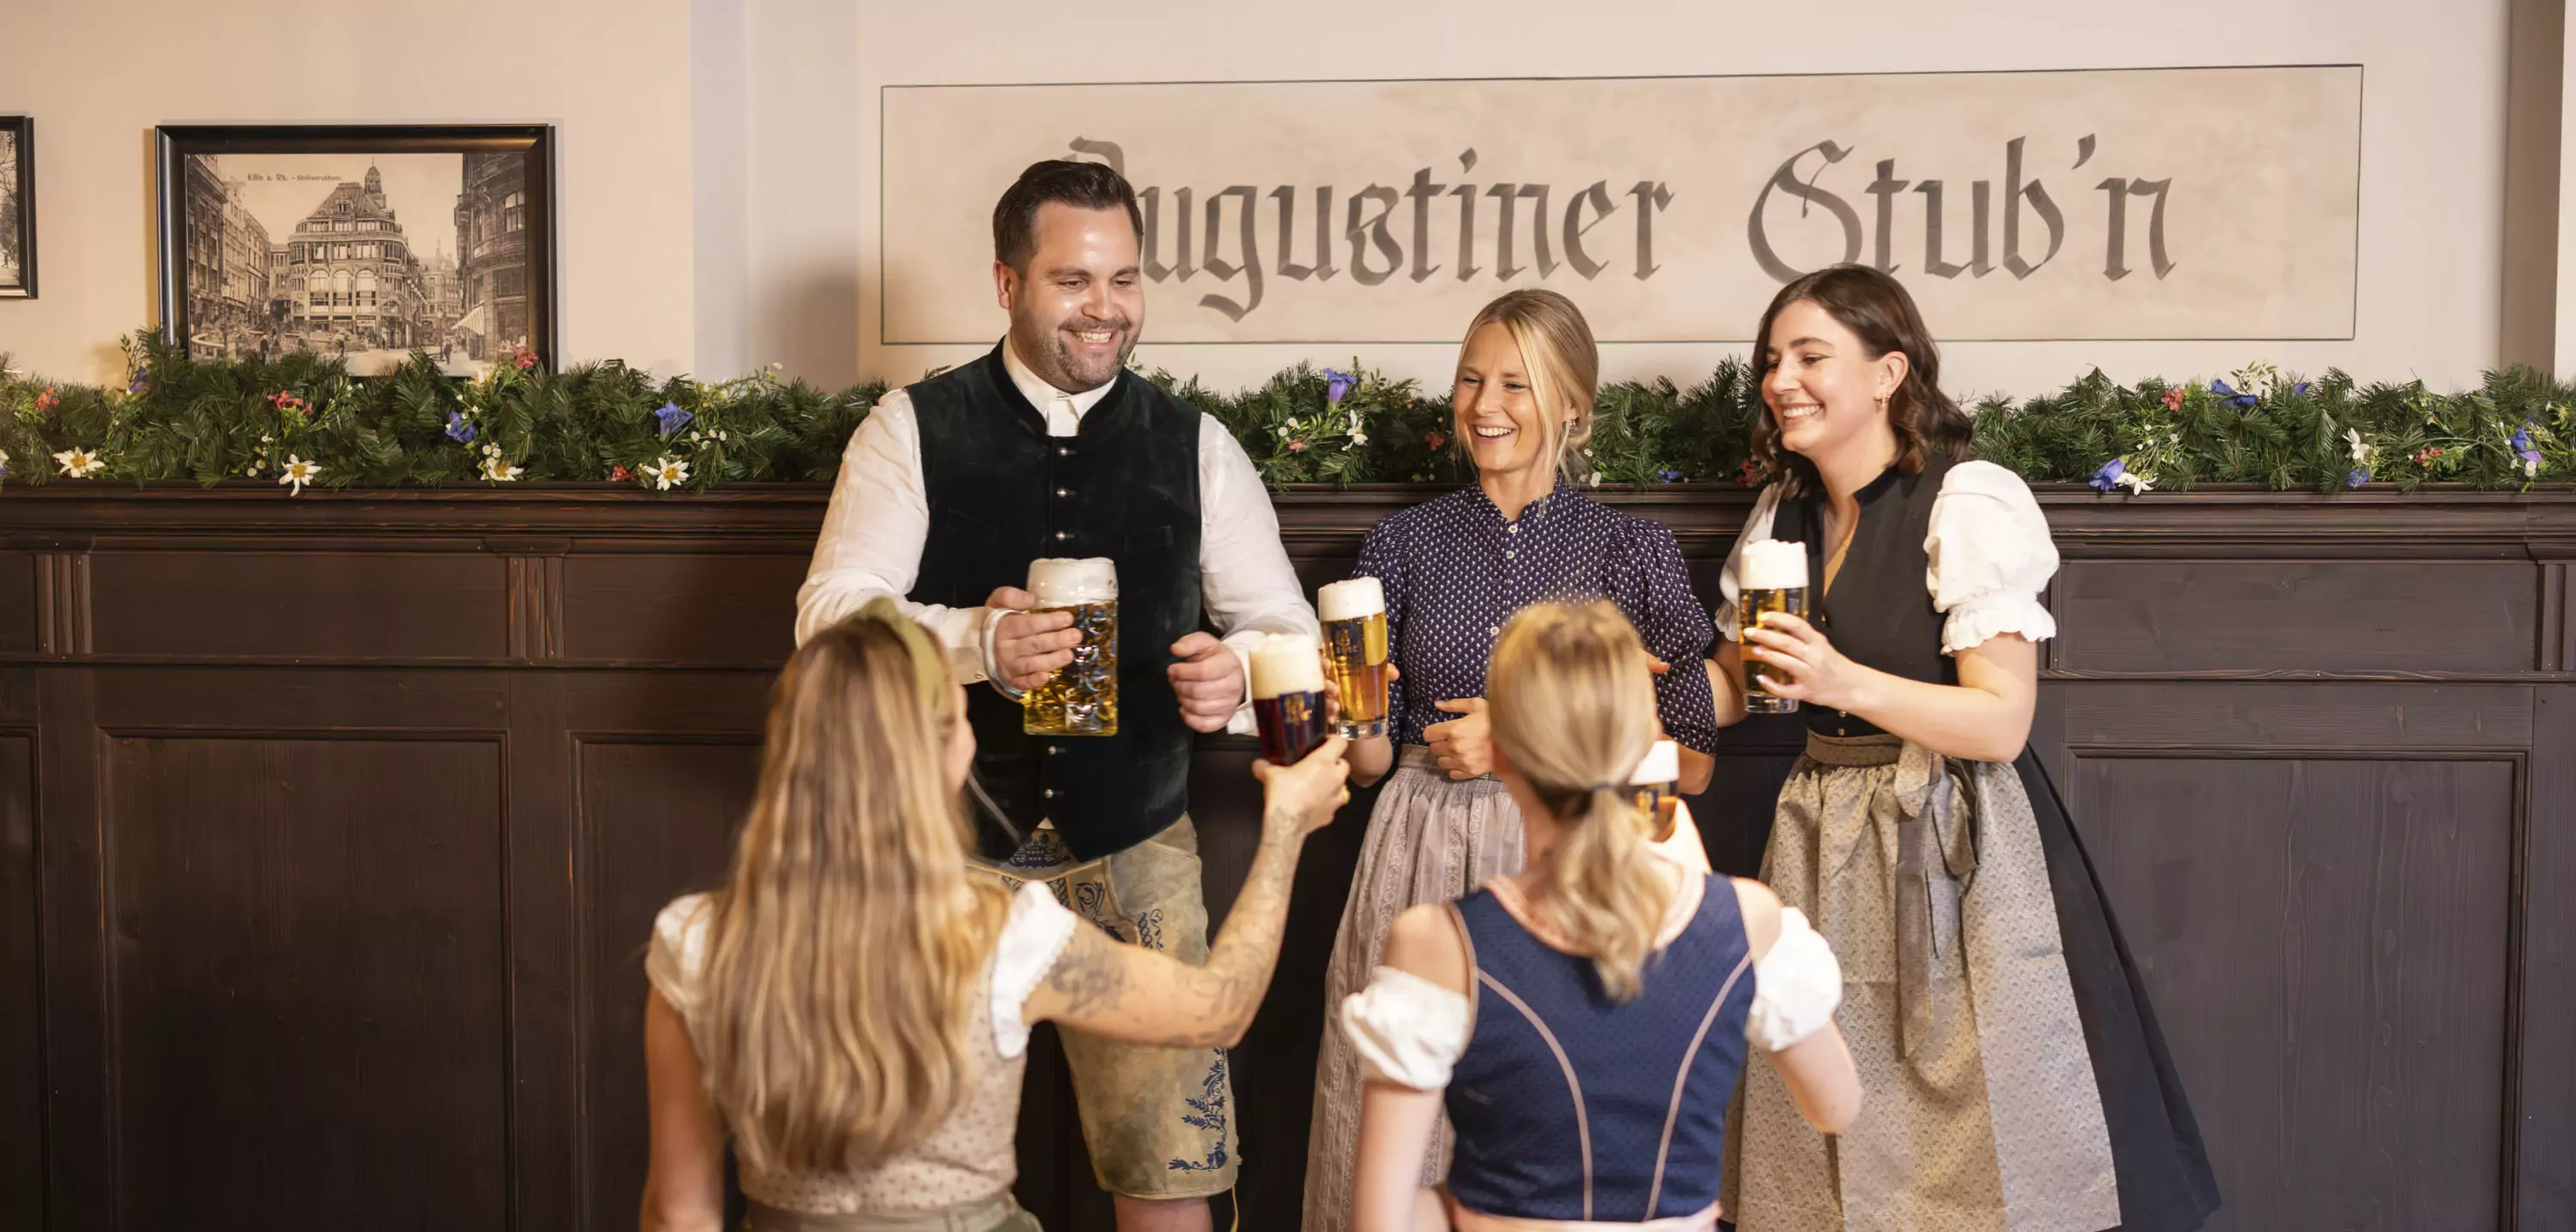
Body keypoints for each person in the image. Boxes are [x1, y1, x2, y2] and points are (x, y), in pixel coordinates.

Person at [794, 158, 1319, 1231]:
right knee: (902, 1180)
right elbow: (828, 613)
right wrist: (975, 641)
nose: (1106, 309)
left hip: (1137, 847)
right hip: (934, 864)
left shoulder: (1199, 445)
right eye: (1074, 280)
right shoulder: (910, 428)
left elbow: (1288, 633)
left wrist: (1236, 670)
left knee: (1171, 1178)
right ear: (1007, 283)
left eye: (1124, 280)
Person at [1715, 264, 2220, 1232]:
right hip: (1819, 834)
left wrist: (1841, 683)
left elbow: (2000, 720)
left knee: (1968, 1115)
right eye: (1773, 360)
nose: (1782, 378)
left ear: (1888, 372)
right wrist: (1603, 695)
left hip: (1949, 840)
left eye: (1812, 356)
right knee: (1820, 1098)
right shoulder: (1783, 515)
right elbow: (1735, 686)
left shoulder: (1966, 500)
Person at [640, 602, 1353, 1232]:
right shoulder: (1004, 935)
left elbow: (680, 1213)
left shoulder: (696, 940)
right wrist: (1286, 827)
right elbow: (1218, 1009)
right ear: (947, 748)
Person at [1303, 289, 1725, 1232]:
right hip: (1411, 850)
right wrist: (1356, 718)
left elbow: (1690, 763)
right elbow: (1372, 763)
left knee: (1546, 1123)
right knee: (1387, 1114)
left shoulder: (1632, 552)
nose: (1484, 404)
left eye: (1516, 383)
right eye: (1469, 378)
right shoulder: (1402, 545)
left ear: (1571, 401)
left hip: (1572, 859)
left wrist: (1520, 735)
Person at [1342, 600, 1861, 1232]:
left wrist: (1464, 1203)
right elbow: (1837, 1106)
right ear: (1648, 743)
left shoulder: (1439, 942)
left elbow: (1381, 1223)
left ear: (1500, 751)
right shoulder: (1748, 919)